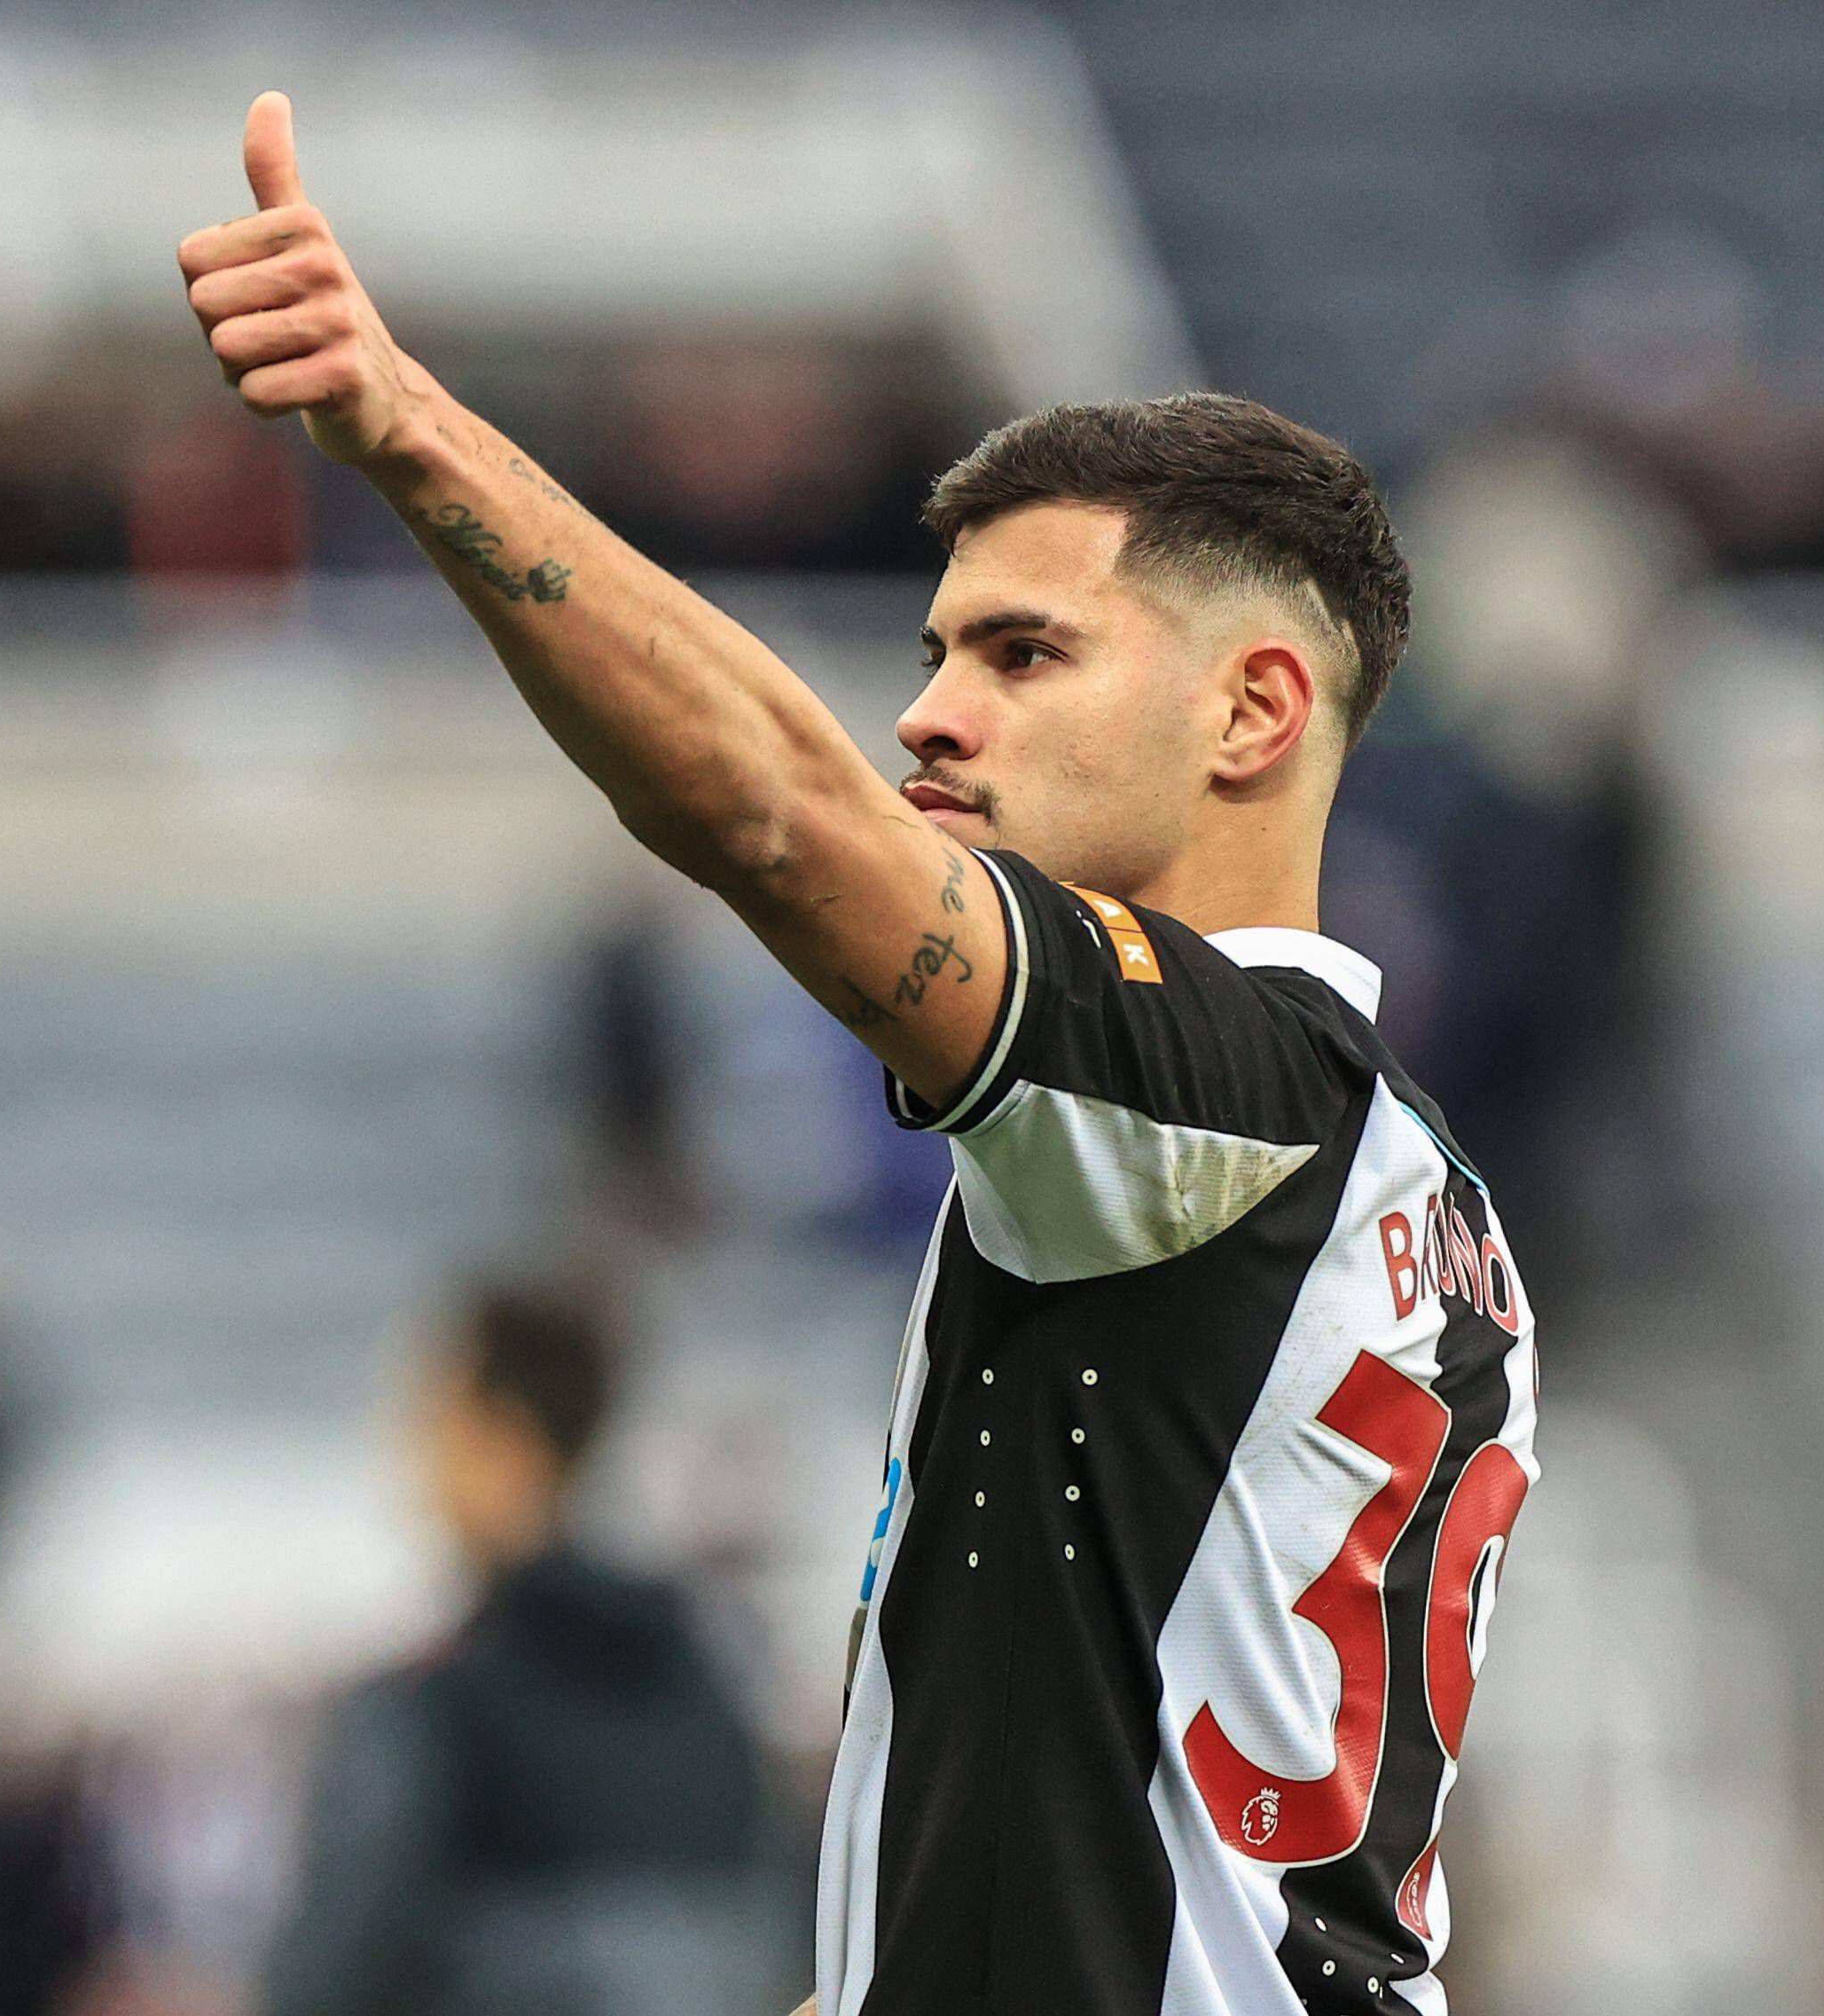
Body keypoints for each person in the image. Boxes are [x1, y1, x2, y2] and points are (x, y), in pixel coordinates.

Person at [182, 93, 1541, 2016]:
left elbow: (770, 815)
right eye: (937, 649)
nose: (928, 715)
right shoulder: (1414, 1184)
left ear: (1254, 709)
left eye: (1024, 654)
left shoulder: (1209, 1088)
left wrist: (408, 431)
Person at [261, 1286, 769, 2016]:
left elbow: (323, 1980)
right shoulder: (710, 1682)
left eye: (431, 1411)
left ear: (502, 1434)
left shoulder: (423, 1710)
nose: (406, 1444)